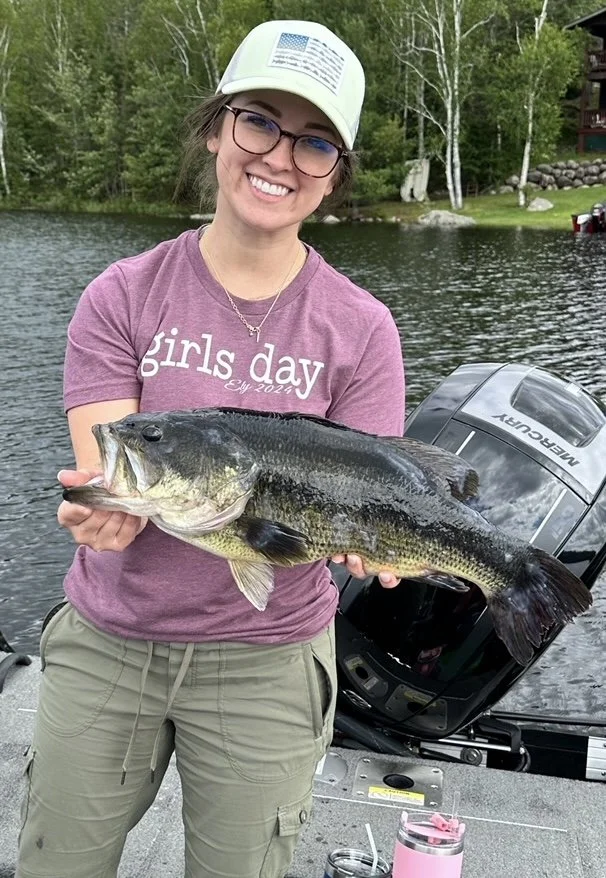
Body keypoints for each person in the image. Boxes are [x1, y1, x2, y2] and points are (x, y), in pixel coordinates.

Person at [17, 18, 405, 878]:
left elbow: (377, 491)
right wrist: (97, 513)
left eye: (313, 143)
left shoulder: (363, 330)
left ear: (335, 173)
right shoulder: (123, 294)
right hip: (110, 640)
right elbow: (111, 467)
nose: (278, 158)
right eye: (259, 122)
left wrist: (377, 550)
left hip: (269, 660)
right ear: (216, 127)